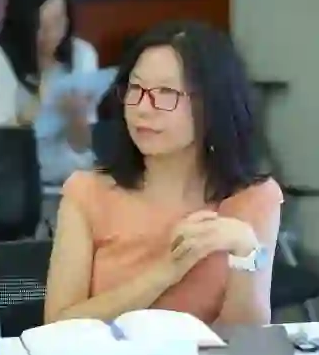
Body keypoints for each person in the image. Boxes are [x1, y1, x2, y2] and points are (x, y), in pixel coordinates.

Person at [44, 21, 283, 326]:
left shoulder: (254, 198)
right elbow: (58, 325)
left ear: (212, 104)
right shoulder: (86, 192)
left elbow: (247, 342)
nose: (143, 109)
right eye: (136, 89)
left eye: (166, 92)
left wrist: (248, 256)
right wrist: (167, 271)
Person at [0, 0, 99, 184]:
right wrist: (31, 113)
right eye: (42, 27)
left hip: (73, 179)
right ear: (24, 25)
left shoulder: (82, 55)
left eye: (59, 21)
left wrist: (76, 116)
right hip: (17, 181)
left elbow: (83, 145)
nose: (53, 35)